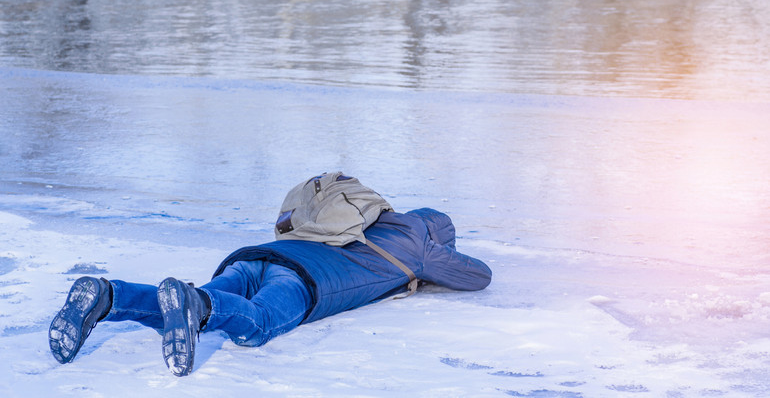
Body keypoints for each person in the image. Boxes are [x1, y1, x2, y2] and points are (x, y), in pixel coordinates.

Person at [49, 207, 492, 376]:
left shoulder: (365, 214)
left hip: (254, 257)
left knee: (187, 305)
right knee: (256, 324)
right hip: (300, 281)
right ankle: (197, 303)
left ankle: (108, 295)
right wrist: (433, 255)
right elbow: (478, 277)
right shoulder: (419, 244)